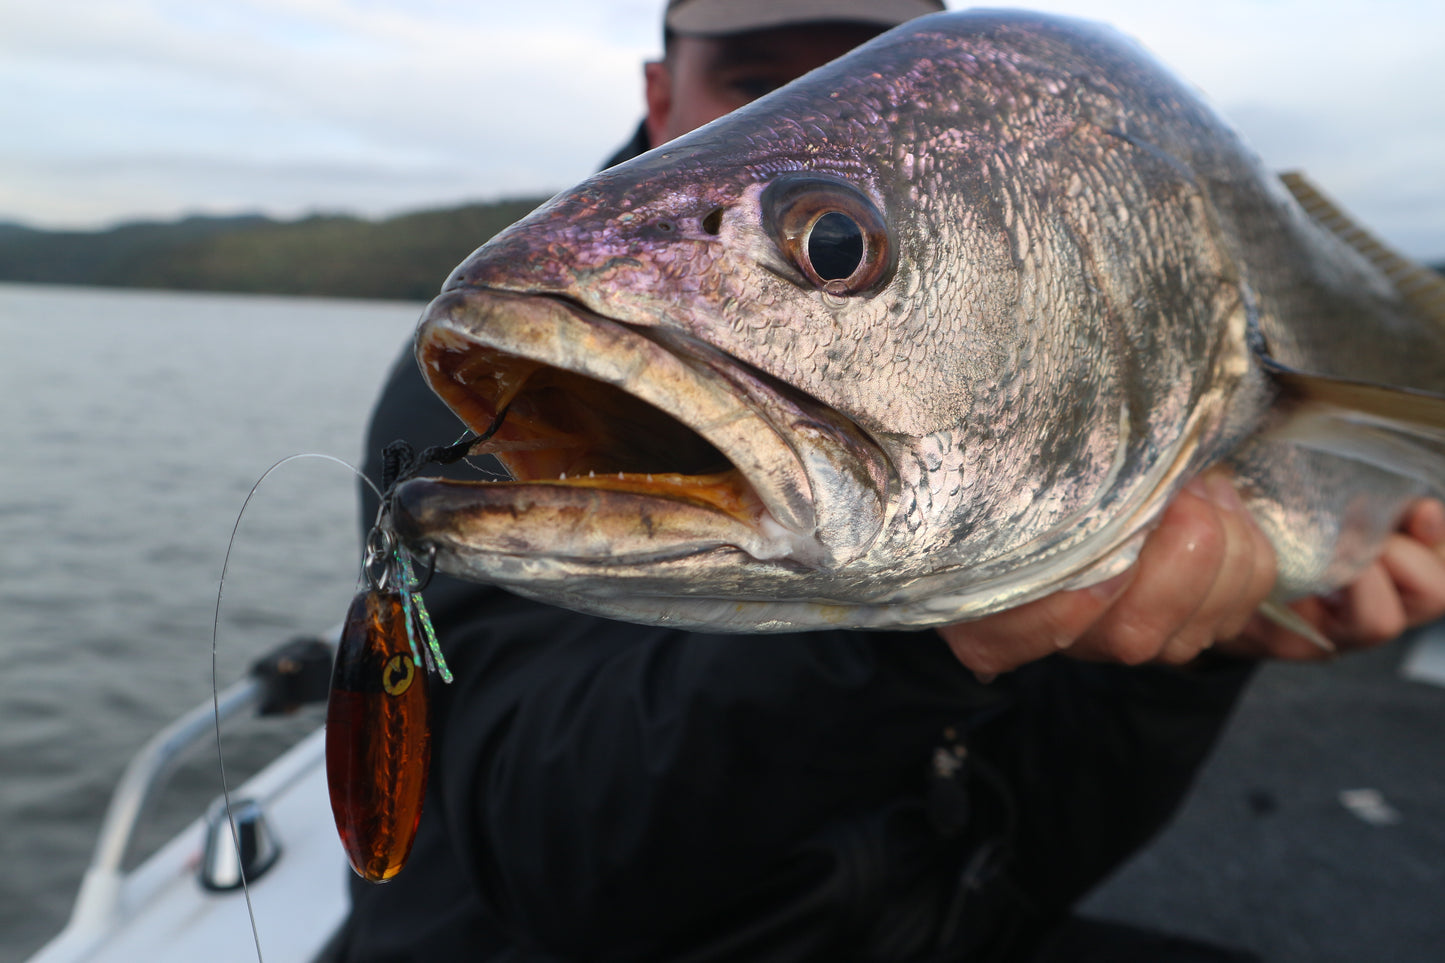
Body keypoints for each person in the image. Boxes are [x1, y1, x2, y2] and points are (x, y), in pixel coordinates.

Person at [336, 2, 1445, 960]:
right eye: (754, 79)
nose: (800, 95)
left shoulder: (1068, 479)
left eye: (828, 244)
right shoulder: (516, 372)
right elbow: (552, 860)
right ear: (657, 92)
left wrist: (1194, 659)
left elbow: (1026, 859)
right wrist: (915, 643)